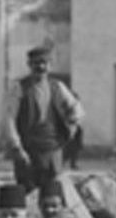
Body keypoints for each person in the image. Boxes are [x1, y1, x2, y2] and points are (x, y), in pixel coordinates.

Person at [6, 46, 84, 197]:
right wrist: (16, 147)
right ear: (29, 65)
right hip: (28, 149)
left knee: (52, 193)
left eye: (44, 63)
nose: (40, 67)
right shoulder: (19, 88)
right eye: (36, 63)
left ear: (50, 65)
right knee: (27, 192)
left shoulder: (57, 87)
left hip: (52, 148)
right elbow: (9, 119)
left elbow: (76, 109)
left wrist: (71, 127)